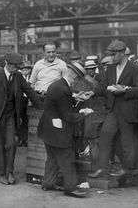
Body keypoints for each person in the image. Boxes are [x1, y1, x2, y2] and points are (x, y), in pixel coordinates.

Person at [88, 40, 138, 179]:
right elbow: (104, 86)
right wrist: (93, 93)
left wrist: (124, 90)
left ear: (122, 53)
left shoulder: (134, 68)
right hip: (113, 109)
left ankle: (127, 169)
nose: (112, 58)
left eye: (114, 55)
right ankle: (103, 168)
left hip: (127, 110)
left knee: (126, 142)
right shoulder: (111, 68)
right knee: (104, 138)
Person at [0, 53, 41, 185]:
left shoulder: (18, 77)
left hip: (10, 116)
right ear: (8, 64)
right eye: (16, 67)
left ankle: (9, 171)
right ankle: (2, 174)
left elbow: (30, 92)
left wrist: (42, 107)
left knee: (11, 144)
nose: (18, 69)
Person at [37, 62, 91, 198]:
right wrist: (84, 113)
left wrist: (75, 98)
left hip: (47, 129)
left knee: (52, 159)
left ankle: (47, 184)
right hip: (58, 132)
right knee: (67, 158)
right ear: (74, 76)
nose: (77, 82)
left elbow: (61, 103)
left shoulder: (58, 85)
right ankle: (71, 188)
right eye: (78, 79)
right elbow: (68, 116)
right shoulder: (63, 89)